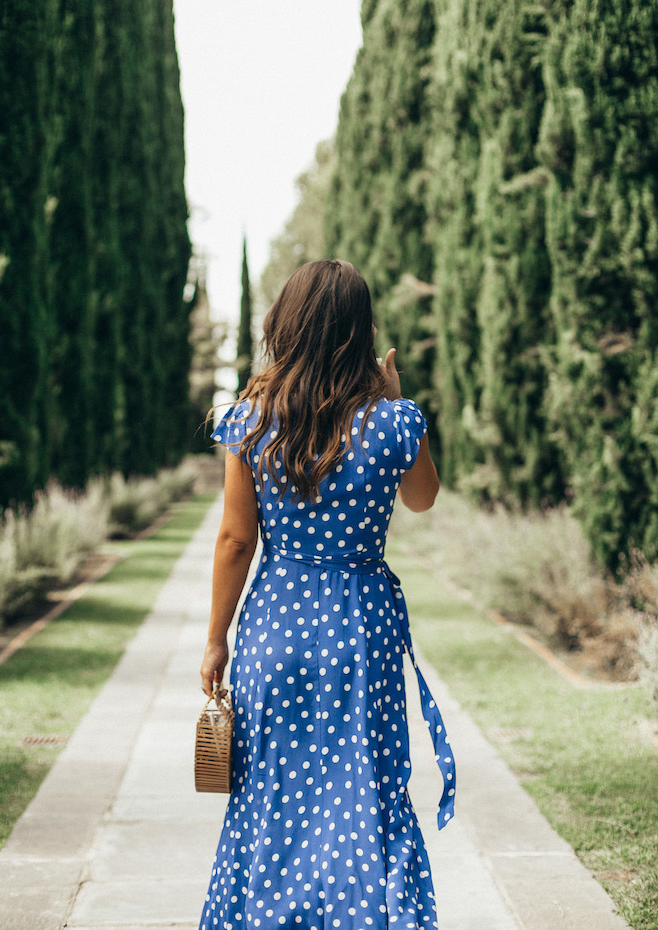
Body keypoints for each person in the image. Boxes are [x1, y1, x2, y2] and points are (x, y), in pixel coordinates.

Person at [199, 259, 455, 930]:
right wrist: (395, 396)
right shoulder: (393, 422)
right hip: (361, 631)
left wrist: (214, 639)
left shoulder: (252, 419)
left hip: (277, 627)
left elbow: (234, 541)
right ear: (359, 332)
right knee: (365, 794)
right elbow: (424, 499)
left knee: (275, 799)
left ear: (287, 323)